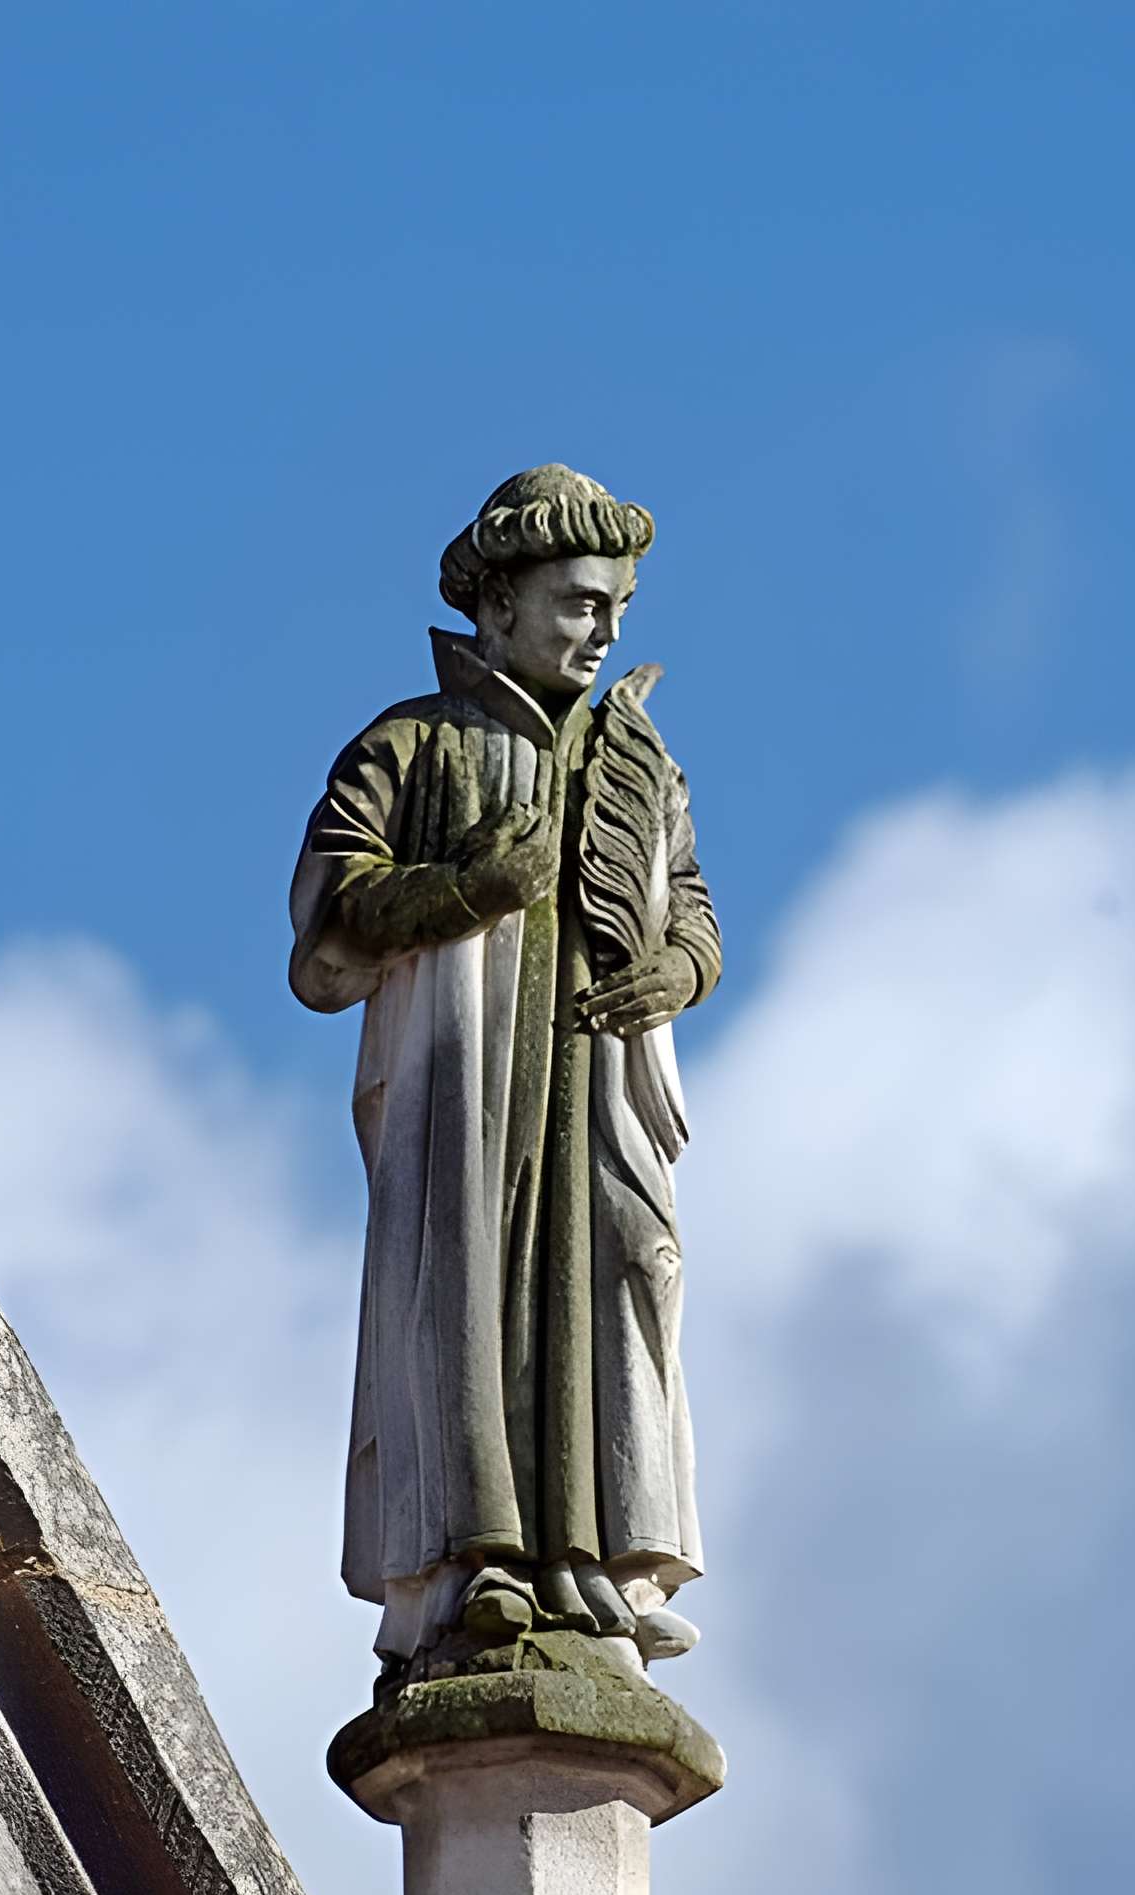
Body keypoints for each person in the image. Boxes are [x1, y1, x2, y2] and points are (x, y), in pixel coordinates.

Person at [289, 466, 720, 1682]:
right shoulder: (412, 745)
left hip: (601, 1098)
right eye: (581, 602)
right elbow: (323, 936)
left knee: (627, 1275)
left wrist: (676, 970)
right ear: (500, 605)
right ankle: (470, 1559)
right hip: (465, 1093)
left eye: (616, 609)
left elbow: (690, 906)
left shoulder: (640, 762)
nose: (602, 630)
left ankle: (602, 1568)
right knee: (464, 1296)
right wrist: (464, 888)